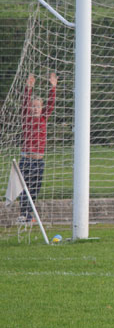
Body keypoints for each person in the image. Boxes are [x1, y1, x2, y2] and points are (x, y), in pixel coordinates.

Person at [18, 72, 57, 222]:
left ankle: (29, 213)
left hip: (39, 161)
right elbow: (24, 102)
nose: (35, 109)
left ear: (41, 109)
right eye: (33, 107)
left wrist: (53, 88)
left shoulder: (43, 119)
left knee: (35, 188)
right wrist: (29, 88)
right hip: (26, 160)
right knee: (24, 187)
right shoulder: (26, 118)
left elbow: (51, 105)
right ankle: (23, 214)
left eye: (38, 107)